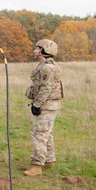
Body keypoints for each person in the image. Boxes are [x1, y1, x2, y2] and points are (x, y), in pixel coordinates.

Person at [24, 39, 63, 176]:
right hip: (48, 104)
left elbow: (46, 88)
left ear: (43, 51)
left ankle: (36, 165)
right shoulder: (44, 65)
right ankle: (49, 160)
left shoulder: (47, 68)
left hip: (46, 105)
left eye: (37, 48)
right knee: (47, 133)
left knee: (39, 135)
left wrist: (37, 104)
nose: (34, 50)